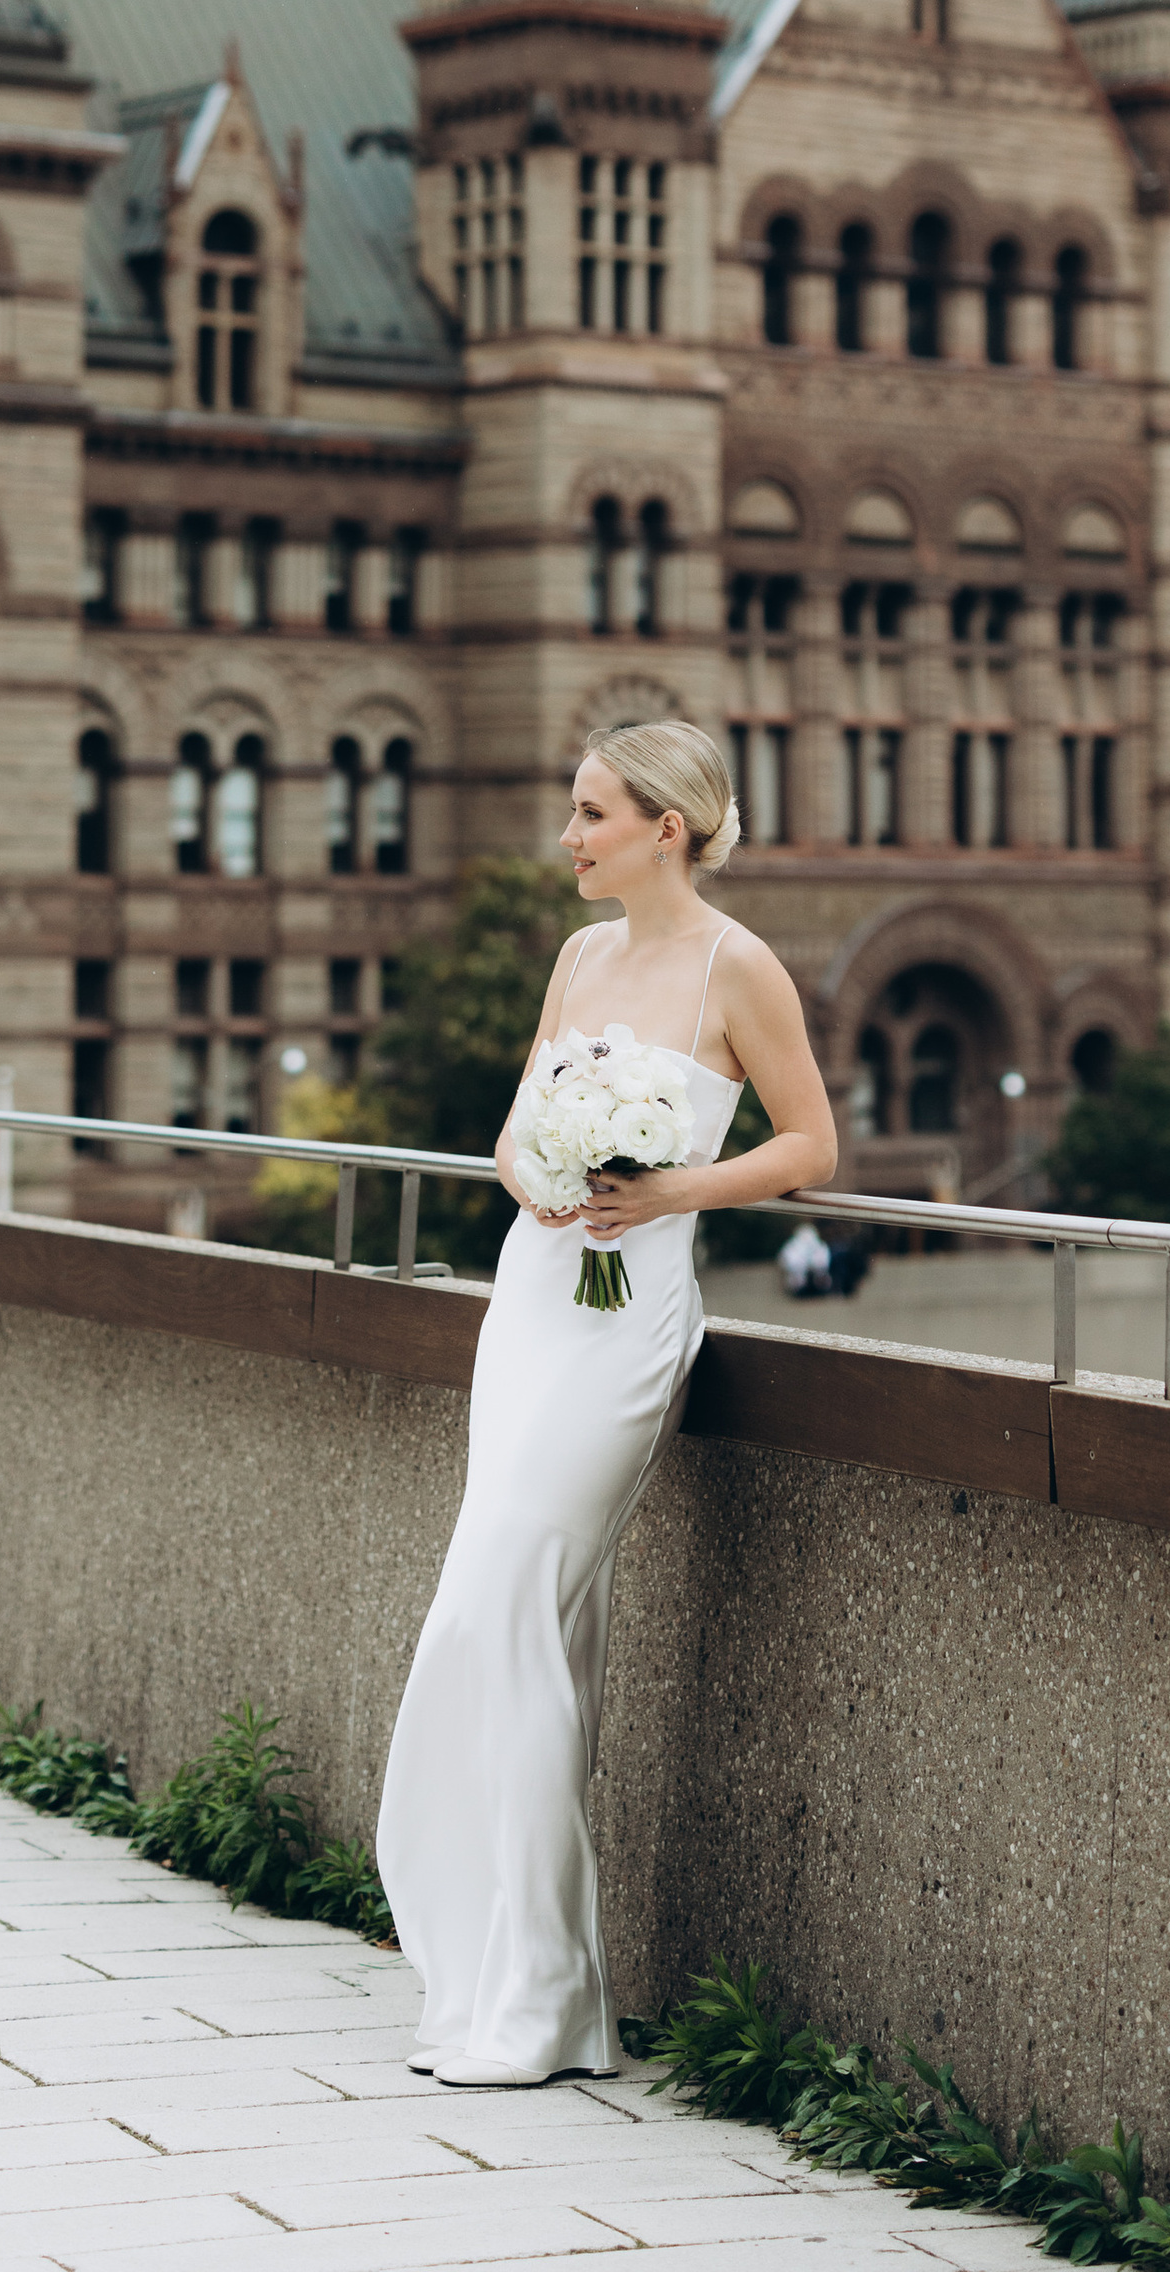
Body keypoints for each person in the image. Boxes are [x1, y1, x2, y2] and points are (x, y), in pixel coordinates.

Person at [375, 716, 836, 2088]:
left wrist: (667, 1188)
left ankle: (537, 1998)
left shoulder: (738, 966)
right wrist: (545, 1178)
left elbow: (811, 1145)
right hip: (531, 1300)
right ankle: (537, 1997)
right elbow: (512, 1130)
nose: (568, 837)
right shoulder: (578, 959)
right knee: (527, 1622)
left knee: (503, 1601)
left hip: (632, 1320)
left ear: (665, 830)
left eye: (590, 813)